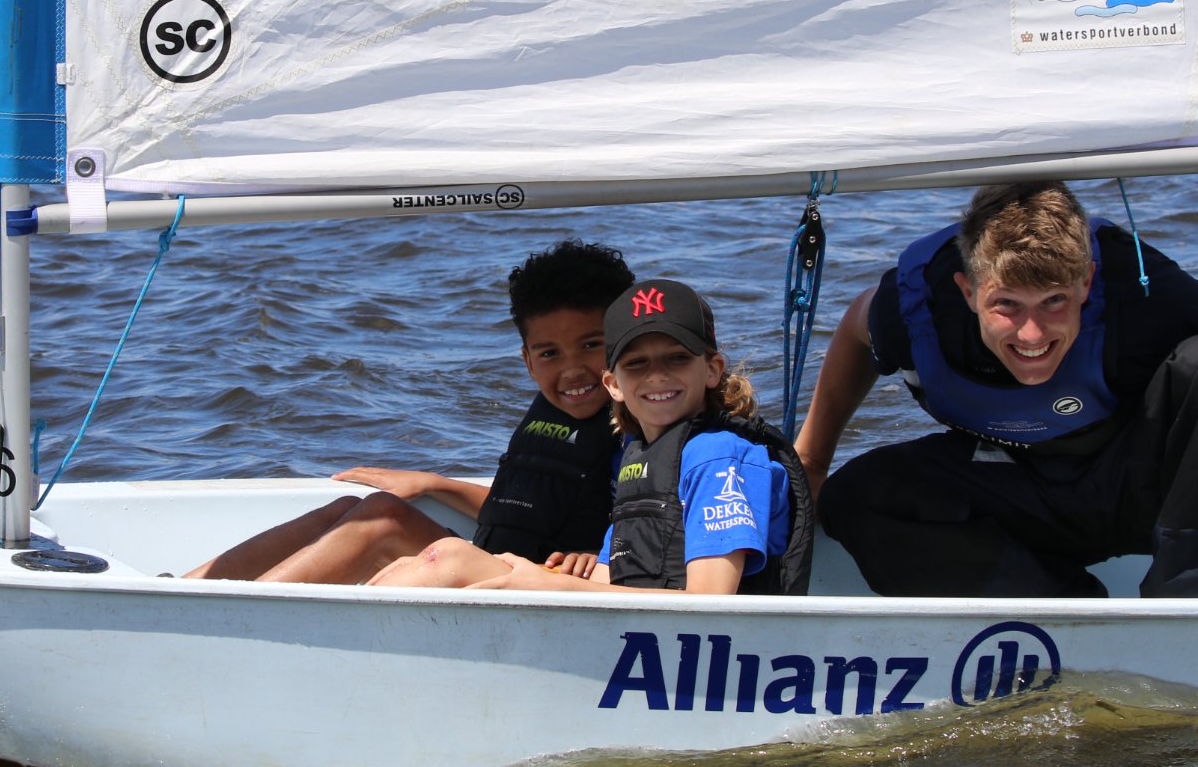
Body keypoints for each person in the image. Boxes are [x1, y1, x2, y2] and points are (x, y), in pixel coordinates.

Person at [794, 180, 1198, 599]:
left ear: (1087, 282)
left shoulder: (1145, 292)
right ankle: (1054, 609)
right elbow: (854, 331)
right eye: (1007, 306)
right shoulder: (916, 307)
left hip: (1142, 489)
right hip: (1017, 483)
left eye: (1054, 302)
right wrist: (813, 462)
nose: (1032, 334)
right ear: (967, 291)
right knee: (855, 496)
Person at [180, 240, 633, 582]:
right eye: (550, 353)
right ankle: (185, 588)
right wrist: (438, 484)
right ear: (528, 361)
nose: (572, 370)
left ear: (621, 344)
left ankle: (230, 615)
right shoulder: (554, 410)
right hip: (490, 558)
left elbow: (647, 523)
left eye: (590, 345)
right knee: (353, 507)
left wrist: (600, 559)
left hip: (537, 584)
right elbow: (525, 509)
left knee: (384, 520)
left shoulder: (631, 423)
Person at [373, 278, 812, 595]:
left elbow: (710, 604)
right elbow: (608, 578)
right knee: (448, 554)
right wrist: (540, 575)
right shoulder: (638, 459)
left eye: (677, 358)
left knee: (453, 559)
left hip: (687, 655)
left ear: (712, 370)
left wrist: (550, 587)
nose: (657, 375)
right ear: (613, 385)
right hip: (631, 636)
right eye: (636, 364)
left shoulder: (719, 458)